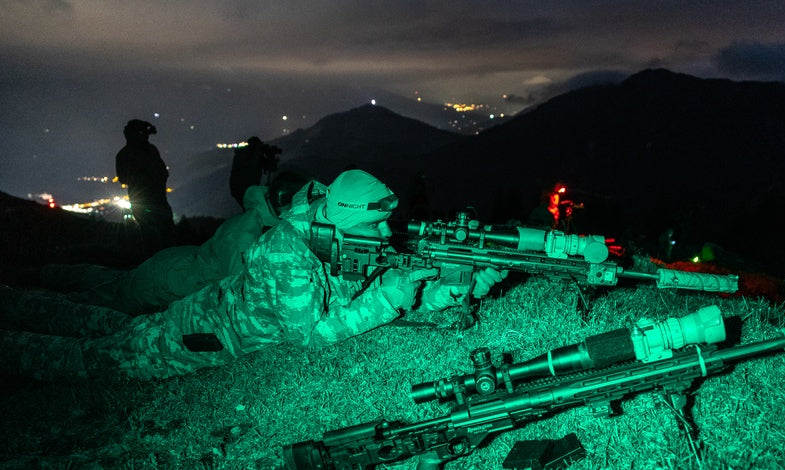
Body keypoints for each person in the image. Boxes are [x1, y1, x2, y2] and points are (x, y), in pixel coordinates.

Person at [0, 169, 506, 382]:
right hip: (199, 335)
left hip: (208, 314)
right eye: (374, 225)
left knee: (100, 322)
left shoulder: (345, 232)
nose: (384, 234)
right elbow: (309, 336)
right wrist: (387, 300)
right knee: (94, 355)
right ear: (343, 219)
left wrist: (461, 285)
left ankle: (14, 299)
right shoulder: (286, 252)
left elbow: (390, 284)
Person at [38, 172, 304, 315]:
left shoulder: (255, 216)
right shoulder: (249, 235)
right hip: (171, 281)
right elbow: (238, 293)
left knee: (109, 280)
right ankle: (25, 299)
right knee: (88, 304)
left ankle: (46, 272)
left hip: (174, 263)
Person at [116, 119, 175, 253]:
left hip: (155, 201)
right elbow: (124, 178)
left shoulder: (129, 153)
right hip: (149, 202)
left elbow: (162, 172)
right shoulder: (128, 154)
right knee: (153, 237)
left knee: (161, 235)